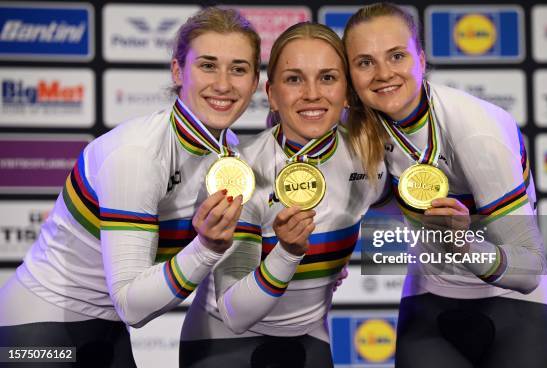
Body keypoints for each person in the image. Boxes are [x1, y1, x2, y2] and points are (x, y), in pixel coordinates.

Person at [0, 7, 260, 367]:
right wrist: (207, 248)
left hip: (106, 332)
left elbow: (234, 293)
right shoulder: (137, 156)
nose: (223, 83)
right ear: (177, 70)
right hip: (39, 327)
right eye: (208, 65)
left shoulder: (230, 151)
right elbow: (133, 307)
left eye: (238, 69)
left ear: (255, 81)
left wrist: (294, 260)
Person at [343, 3, 547, 368]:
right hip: (430, 302)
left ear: (422, 58)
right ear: (350, 73)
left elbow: (528, 270)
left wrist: (461, 241)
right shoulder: (359, 129)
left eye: (396, 56)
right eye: (365, 62)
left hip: (517, 307)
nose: (383, 74)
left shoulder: (478, 130)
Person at [179, 22, 387, 368]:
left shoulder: (369, 157)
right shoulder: (240, 171)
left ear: (347, 90)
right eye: (294, 79)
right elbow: (235, 313)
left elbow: (400, 229)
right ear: (272, 93)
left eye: (327, 78)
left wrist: (334, 262)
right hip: (223, 346)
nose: (311, 93)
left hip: (308, 339)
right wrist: (288, 254)